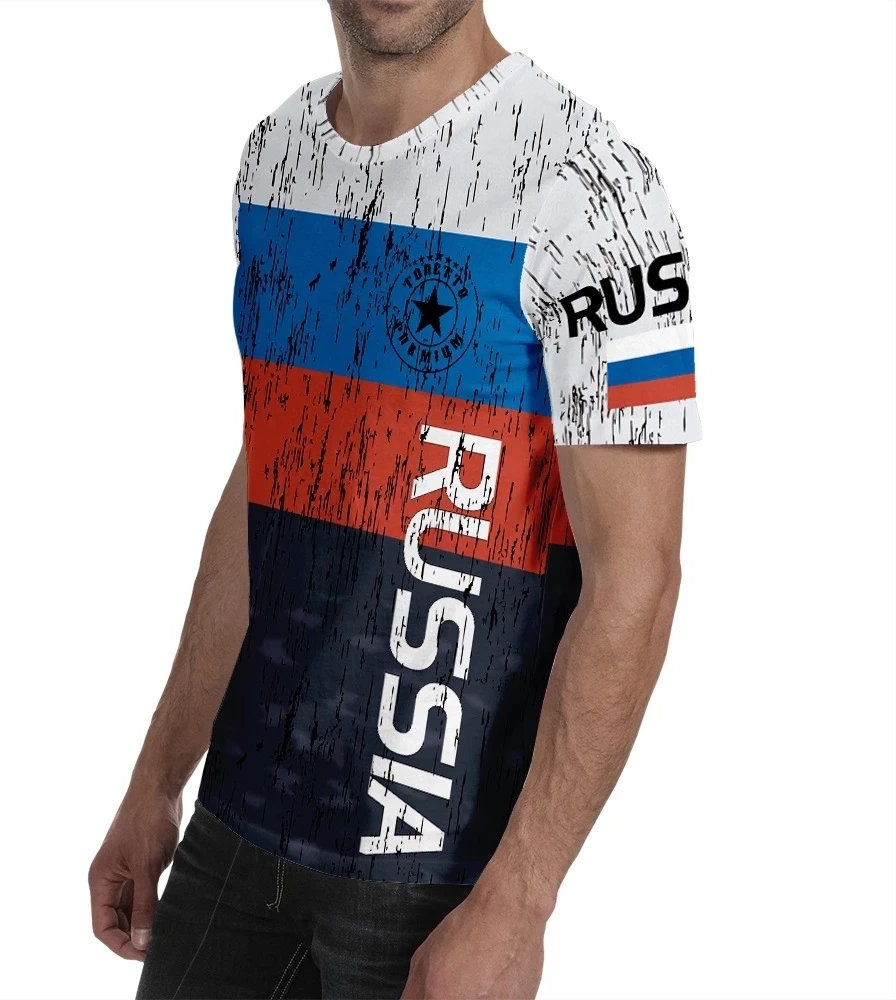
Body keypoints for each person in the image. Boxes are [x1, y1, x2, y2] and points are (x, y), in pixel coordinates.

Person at [88, 1, 702, 997]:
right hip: (236, 831)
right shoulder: (275, 157)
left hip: (429, 871)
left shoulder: (593, 189)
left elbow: (640, 574)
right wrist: (158, 781)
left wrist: (520, 900)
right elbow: (271, 480)